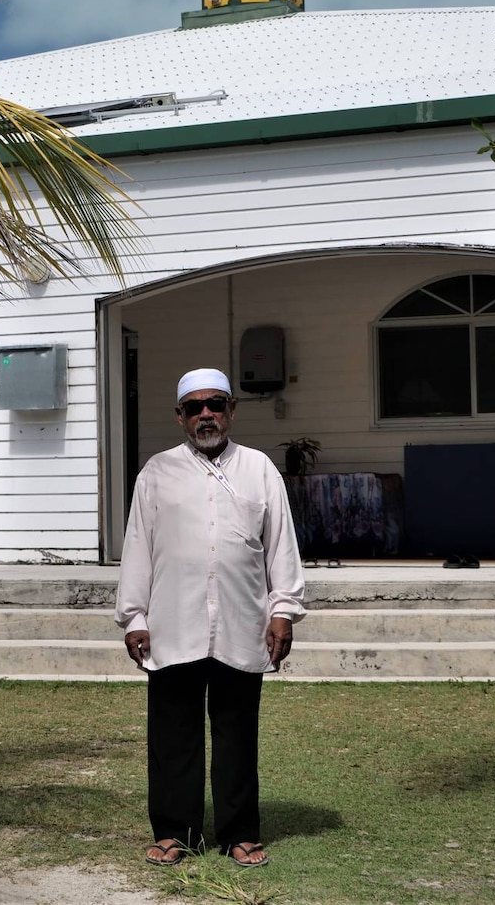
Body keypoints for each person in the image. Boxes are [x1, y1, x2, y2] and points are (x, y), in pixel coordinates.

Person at [114, 367, 305, 869]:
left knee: (238, 731)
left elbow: (281, 546)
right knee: (173, 734)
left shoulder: (260, 469)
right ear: (179, 416)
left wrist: (282, 609)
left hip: (242, 624)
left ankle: (240, 831)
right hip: (174, 625)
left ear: (231, 410)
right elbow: (138, 548)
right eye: (195, 407)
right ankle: (175, 832)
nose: (206, 415)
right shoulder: (156, 473)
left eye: (216, 405)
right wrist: (134, 616)